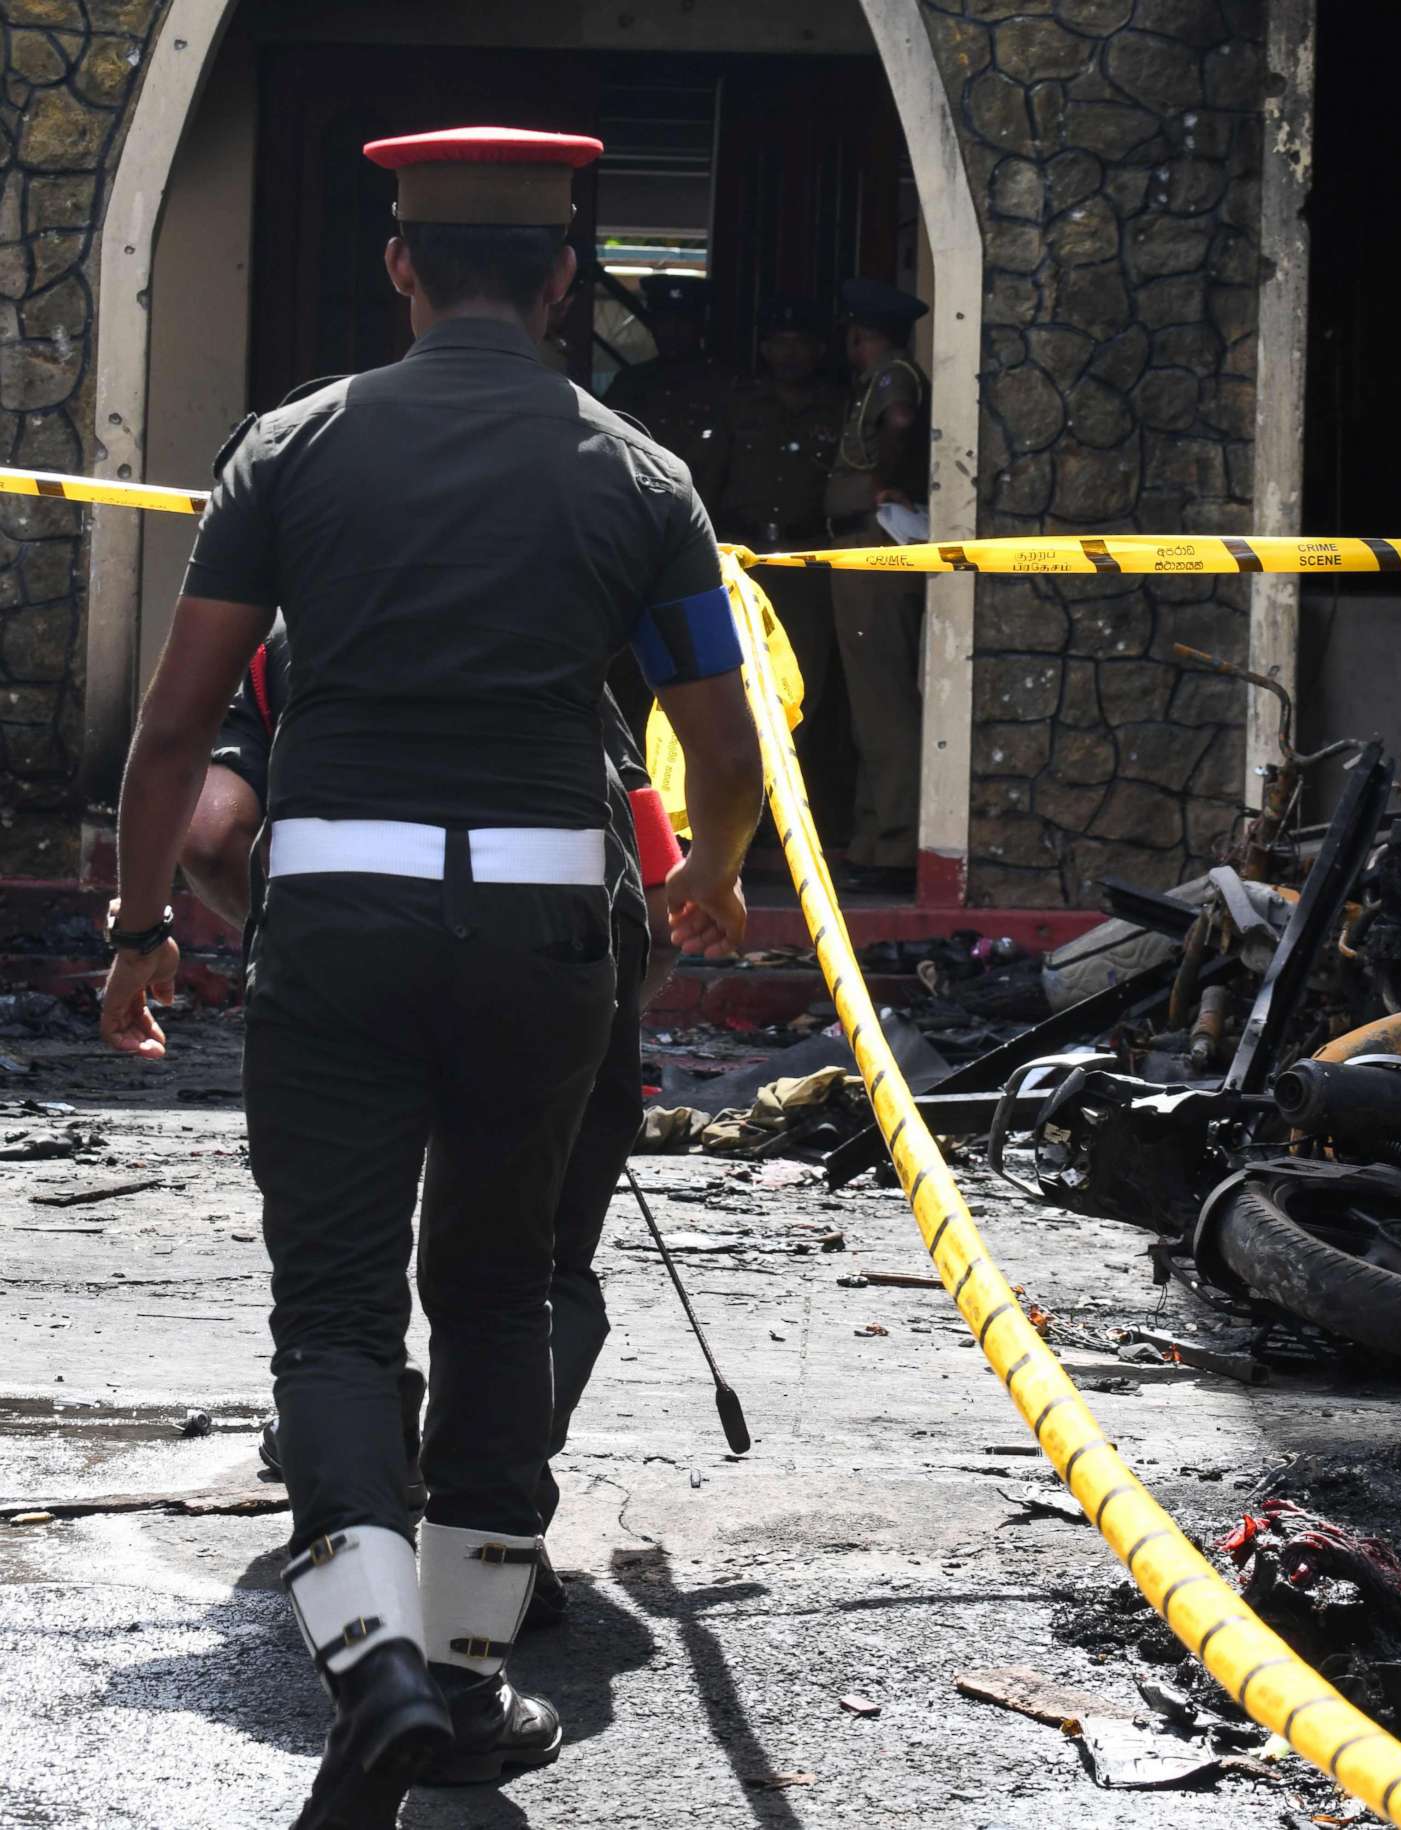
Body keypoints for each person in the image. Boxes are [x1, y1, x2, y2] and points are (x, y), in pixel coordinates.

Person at [96, 126, 764, 1829]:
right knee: (495, 1293)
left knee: (329, 1312)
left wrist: (135, 930)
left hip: (335, 922)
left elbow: (179, 727)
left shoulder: (290, 449)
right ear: (561, 288)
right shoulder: (636, 474)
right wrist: (717, 880)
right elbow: (718, 731)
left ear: (398, 266)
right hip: (544, 939)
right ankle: (458, 1684)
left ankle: (369, 1664)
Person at [180, 630, 701, 1621]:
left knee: (340, 1300)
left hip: (344, 950)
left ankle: (357, 1562)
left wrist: (288, 939)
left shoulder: (287, 636)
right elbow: (661, 887)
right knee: (527, 1276)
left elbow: (208, 836)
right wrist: (603, 1007)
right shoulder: (553, 612)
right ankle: (486, 1565)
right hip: (549, 958)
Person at [712, 295, 844, 832]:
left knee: (802, 692)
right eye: (779, 344)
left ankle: (792, 822)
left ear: (817, 351)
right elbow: (710, 476)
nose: (789, 355)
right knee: (733, 689)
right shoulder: (739, 405)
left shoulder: (837, 406)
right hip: (745, 561)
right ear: (764, 349)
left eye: (800, 344)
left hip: (807, 562)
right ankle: (738, 819)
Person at [825, 277, 931, 892]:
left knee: (883, 698)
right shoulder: (880, 376)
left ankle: (894, 842)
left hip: (875, 539)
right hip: (857, 541)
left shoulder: (893, 374)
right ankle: (873, 835)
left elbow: (899, 422)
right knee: (868, 699)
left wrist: (891, 479)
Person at [603, 275, 724, 496]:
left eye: (682, 323)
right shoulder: (630, 383)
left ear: (699, 326)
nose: (672, 331)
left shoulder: (724, 386)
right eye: (664, 322)